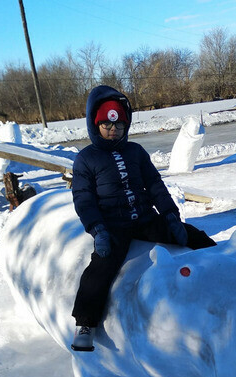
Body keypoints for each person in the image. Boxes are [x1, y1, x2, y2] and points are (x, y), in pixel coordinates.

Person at [70, 85, 217, 351]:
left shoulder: (136, 152)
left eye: (119, 126)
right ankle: (85, 324)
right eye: (106, 125)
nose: (113, 130)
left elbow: (155, 186)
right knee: (100, 270)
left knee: (193, 235)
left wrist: (171, 215)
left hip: (145, 220)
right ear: (95, 125)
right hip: (114, 227)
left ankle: (226, 262)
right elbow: (84, 199)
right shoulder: (86, 159)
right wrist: (98, 230)